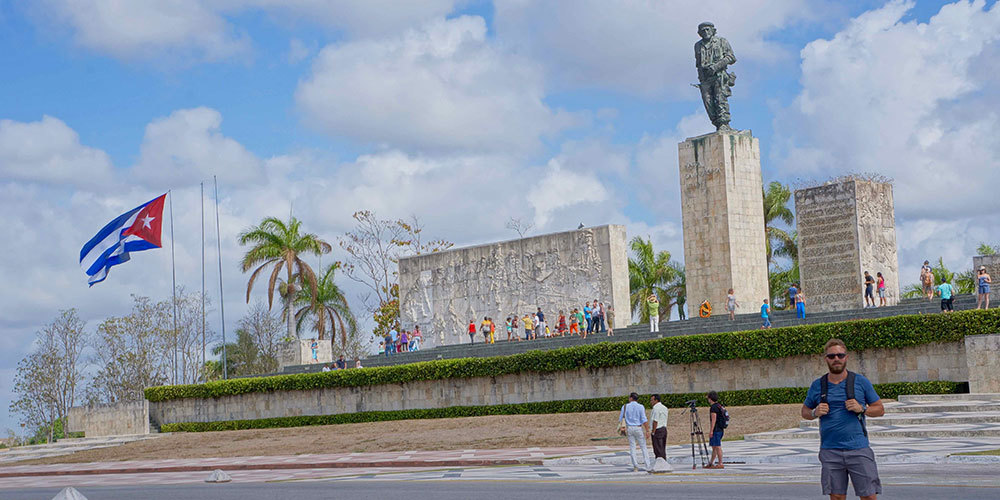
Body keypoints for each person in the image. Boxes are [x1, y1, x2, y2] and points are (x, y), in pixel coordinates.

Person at [802, 339, 885, 500]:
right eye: (832, 356)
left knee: (868, 496)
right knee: (837, 497)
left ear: (846, 357)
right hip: (830, 451)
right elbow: (804, 411)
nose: (836, 359)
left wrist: (863, 408)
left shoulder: (860, 382)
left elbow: (880, 409)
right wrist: (814, 413)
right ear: (826, 359)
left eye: (840, 355)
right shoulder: (818, 385)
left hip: (859, 449)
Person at [619, 392, 651, 472]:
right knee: (643, 447)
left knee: (632, 447)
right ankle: (647, 465)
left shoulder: (625, 406)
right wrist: (647, 430)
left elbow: (621, 419)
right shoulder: (641, 407)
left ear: (631, 398)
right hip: (638, 427)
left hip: (629, 428)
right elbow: (644, 419)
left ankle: (635, 465)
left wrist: (622, 427)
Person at [707, 391, 726, 469]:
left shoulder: (713, 407)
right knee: (714, 447)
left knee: (717, 446)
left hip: (716, 430)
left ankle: (720, 463)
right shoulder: (719, 406)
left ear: (710, 398)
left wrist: (711, 430)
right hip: (720, 429)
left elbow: (713, 419)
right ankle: (711, 463)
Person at [649, 394, 670, 464]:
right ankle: (663, 461)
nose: (650, 402)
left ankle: (660, 463)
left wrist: (653, 431)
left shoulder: (656, 408)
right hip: (664, 429)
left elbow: (655, 421)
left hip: (657, 430)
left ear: (656, 400)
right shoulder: (664, 407)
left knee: (657, 448)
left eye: (652, 400)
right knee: (662, 447)